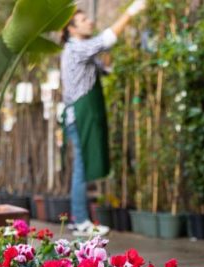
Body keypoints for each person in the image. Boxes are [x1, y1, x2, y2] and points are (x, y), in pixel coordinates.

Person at [60, 0, 146, 237]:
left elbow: (105, 66)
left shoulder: (81, 48)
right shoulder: (75, 48)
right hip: (79, 116)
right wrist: (130, 12)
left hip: (82, 115)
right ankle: (80, 220)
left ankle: (81, 218)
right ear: (71, 29)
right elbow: (106, 39)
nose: (89, 21)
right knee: (81, 168)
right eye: (83, 20)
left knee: (83, 167)